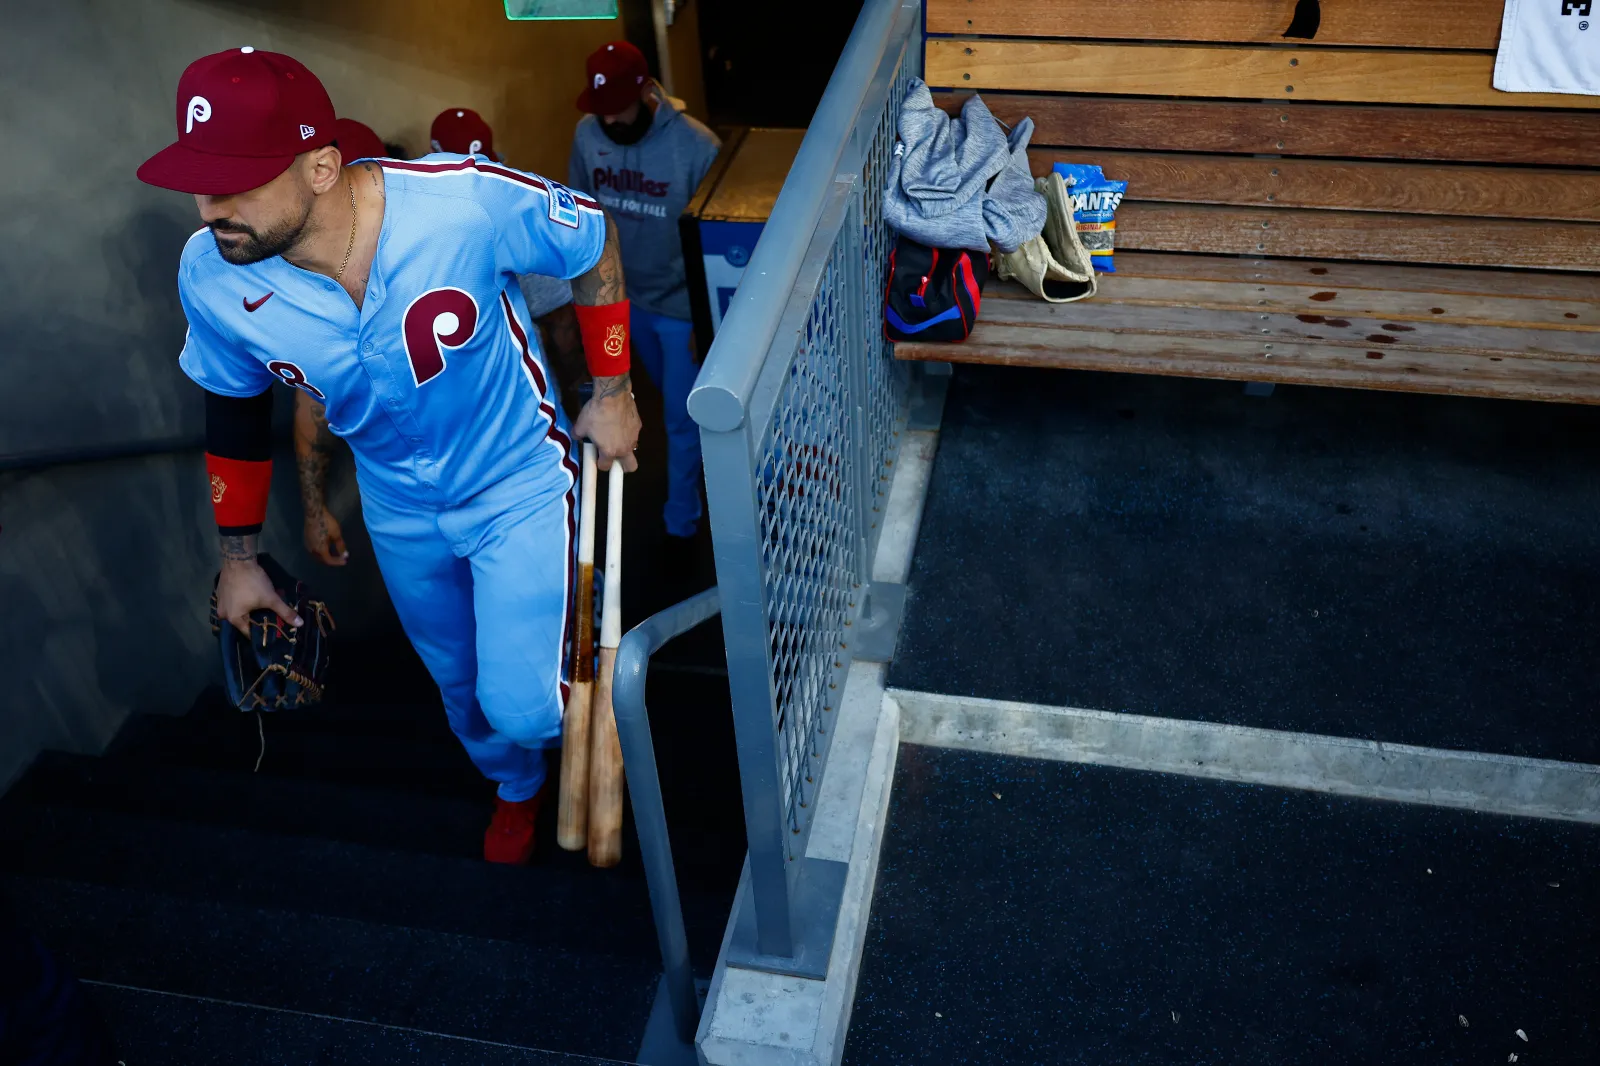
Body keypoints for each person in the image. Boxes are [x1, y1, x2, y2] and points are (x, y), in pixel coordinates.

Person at [137, 47, 642, 865]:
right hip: (397, 501)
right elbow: (231, 405)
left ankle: (594, 700)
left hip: (516, 476)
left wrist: (613, 390)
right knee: (457, 688)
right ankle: (515, 788)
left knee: (522, 703)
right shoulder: (211, 274)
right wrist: (238, 557)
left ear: (324, 166)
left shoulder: (463, 204)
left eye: (236, 182)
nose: (208, 207)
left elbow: (591, 240)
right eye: (200, 180)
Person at [298, 111, 587, 568]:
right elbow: (311, 406)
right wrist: (313, 510)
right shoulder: (307, 289)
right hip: (408, 499)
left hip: (512, 468)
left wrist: (595, 397)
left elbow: (568, 307)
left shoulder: (459, 217)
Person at [568, 41, 720, 541]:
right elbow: (580, 216)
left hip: (678, 307)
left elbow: (710, 239)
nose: (609, 121)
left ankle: (683, 520)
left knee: (680, 417)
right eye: (601, 111)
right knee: (648, 399)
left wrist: (706, 317)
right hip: (619, 304)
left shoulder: (698, 146)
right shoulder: (588, 135)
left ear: (646, 90)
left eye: (618, 109)